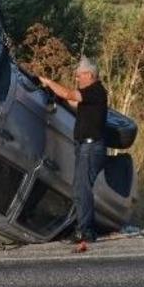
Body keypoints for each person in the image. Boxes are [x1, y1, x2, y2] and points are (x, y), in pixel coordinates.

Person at [39, 57, 108, 253]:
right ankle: (84, 228)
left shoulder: (96, 90)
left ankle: (85, 231)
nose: (76, 78)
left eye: (79, 75)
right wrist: (55, 94)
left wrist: (49, 82)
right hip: (84, 147)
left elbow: (69, 94)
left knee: (82, 189)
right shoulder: (90, 95)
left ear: (89, 75)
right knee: (79, 189)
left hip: (91, 147)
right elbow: (72, 101)